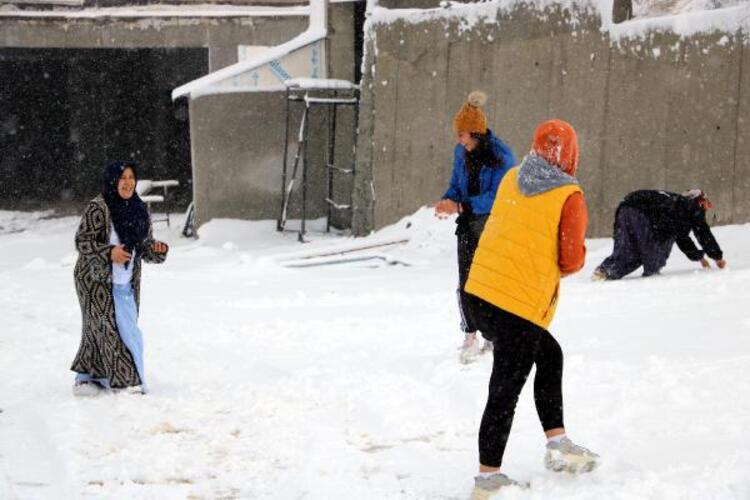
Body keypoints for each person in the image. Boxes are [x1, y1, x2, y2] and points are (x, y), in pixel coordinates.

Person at [464, 119, 600, 496]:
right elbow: (571, 260)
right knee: (504, 391)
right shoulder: (568, 195)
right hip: (515, 306)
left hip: (479, 293)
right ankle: (488, 478)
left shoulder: (512, 177)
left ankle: (558, 444)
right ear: (570, 153)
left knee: (550, 354)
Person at [70, 160, 168, 396]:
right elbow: (82, 242)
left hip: (126, 282)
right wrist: (109, 252)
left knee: (123, 329)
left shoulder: (139, 209)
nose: (128, 183)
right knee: (110, 330)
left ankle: (89, 377)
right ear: (113, 181)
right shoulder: (99, 207)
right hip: (94, 281)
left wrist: (156, 250)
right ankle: (127, 382)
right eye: (122, 178)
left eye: (131, 178)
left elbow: (143, 247)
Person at [433, 90, 515, 364]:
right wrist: (449, 199)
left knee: (489, 281)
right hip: (468, 225)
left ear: (475, 134)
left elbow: (499, 198)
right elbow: (457, 184)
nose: (459, 141)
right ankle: (470, 334)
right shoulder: (461, 153)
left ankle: (493, 337)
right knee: (465, 282)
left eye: (462, 135)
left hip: (493, 226)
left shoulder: (502, 156)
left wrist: (462, 207)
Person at [593, 189, 726, 280]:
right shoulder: (689, 207)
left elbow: (684, 237)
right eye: (705, 204)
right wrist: (716, 257)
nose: (704, 210)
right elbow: (701, 233)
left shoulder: (676, 205)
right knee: (659, 247)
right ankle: (652, 278)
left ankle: (606, 271)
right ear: (699, 201)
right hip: (642, 214)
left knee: (628, 250)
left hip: (624, 209)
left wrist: (699, 257)